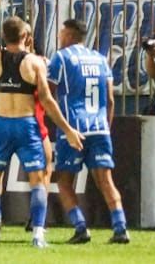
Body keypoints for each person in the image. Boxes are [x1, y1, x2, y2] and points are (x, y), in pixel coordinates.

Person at [0, 0, 83, 248]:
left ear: (5, 37)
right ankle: (37, 233)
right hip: (27, 125)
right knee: (38, 179)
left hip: (2, 123)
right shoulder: (35, 63)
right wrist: (68, 130)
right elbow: (47, 100)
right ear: (26, 37)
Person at [48, 19, 130, 244]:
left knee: (64, 181)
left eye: (62, 33)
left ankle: (80, 226)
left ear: (71, 35)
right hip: (100, 128)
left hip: (73, 129)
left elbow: (48, 94)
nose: (59, 37)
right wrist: (106, 128)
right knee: (106, 180)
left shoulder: (61, 58)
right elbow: (111, 100)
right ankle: (120, 227)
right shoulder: (101, 59)